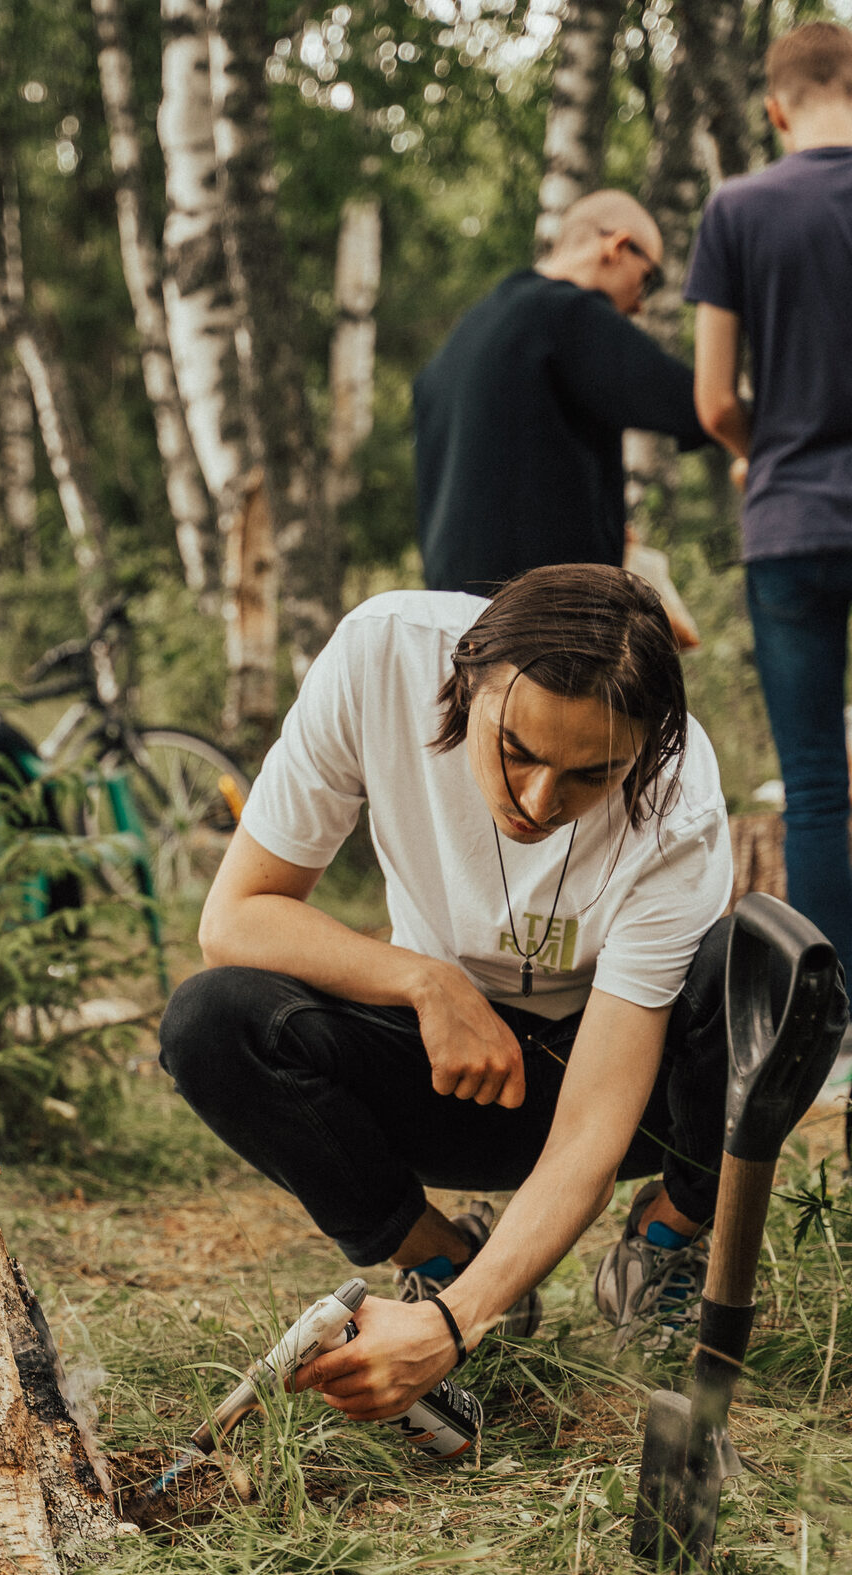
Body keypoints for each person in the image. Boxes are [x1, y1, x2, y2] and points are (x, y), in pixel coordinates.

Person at [159, 568, 845, 1426]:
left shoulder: (678, 802)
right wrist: (425, 979)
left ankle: (665, 1237)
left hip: (624, 1087)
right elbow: (235, 918)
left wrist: (448, 1333)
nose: (537, 802)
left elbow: (594, 1128)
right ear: (464, 675)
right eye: (515, 750)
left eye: (590, 776)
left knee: (780, 970)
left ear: (645, 750)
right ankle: (442, 1258)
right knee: (210, 1021)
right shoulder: (380, 658)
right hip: (454, 1074)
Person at [685, 20, 852, 966]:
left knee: (816, 789)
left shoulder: (738, 209)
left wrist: (765, 447)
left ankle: (833, 1033)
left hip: (790, 524)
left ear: (775, 107)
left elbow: (712, 399)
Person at [414, 191, 709, 597]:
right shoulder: (567, 313)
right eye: (649, 279)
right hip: (543, 617)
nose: (640, 305)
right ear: (617, 247)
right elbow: (695, 403)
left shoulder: (463, 338)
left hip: (456, 615)